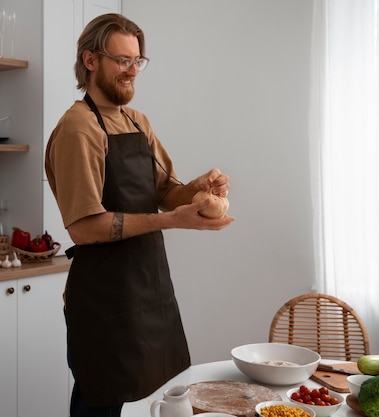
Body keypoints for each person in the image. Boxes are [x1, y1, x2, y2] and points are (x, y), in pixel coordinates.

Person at [44, 13, 236, 417]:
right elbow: (84, 228)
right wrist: (171, 220)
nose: (132, 71)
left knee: (155, 394)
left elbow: (166, 191)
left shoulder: (136, 120)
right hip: (103, 296)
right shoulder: (78, 129)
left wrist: (200, 188)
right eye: (122, 60)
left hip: (147, 286)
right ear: (91, 60)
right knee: (100, 401)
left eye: (137, 61)